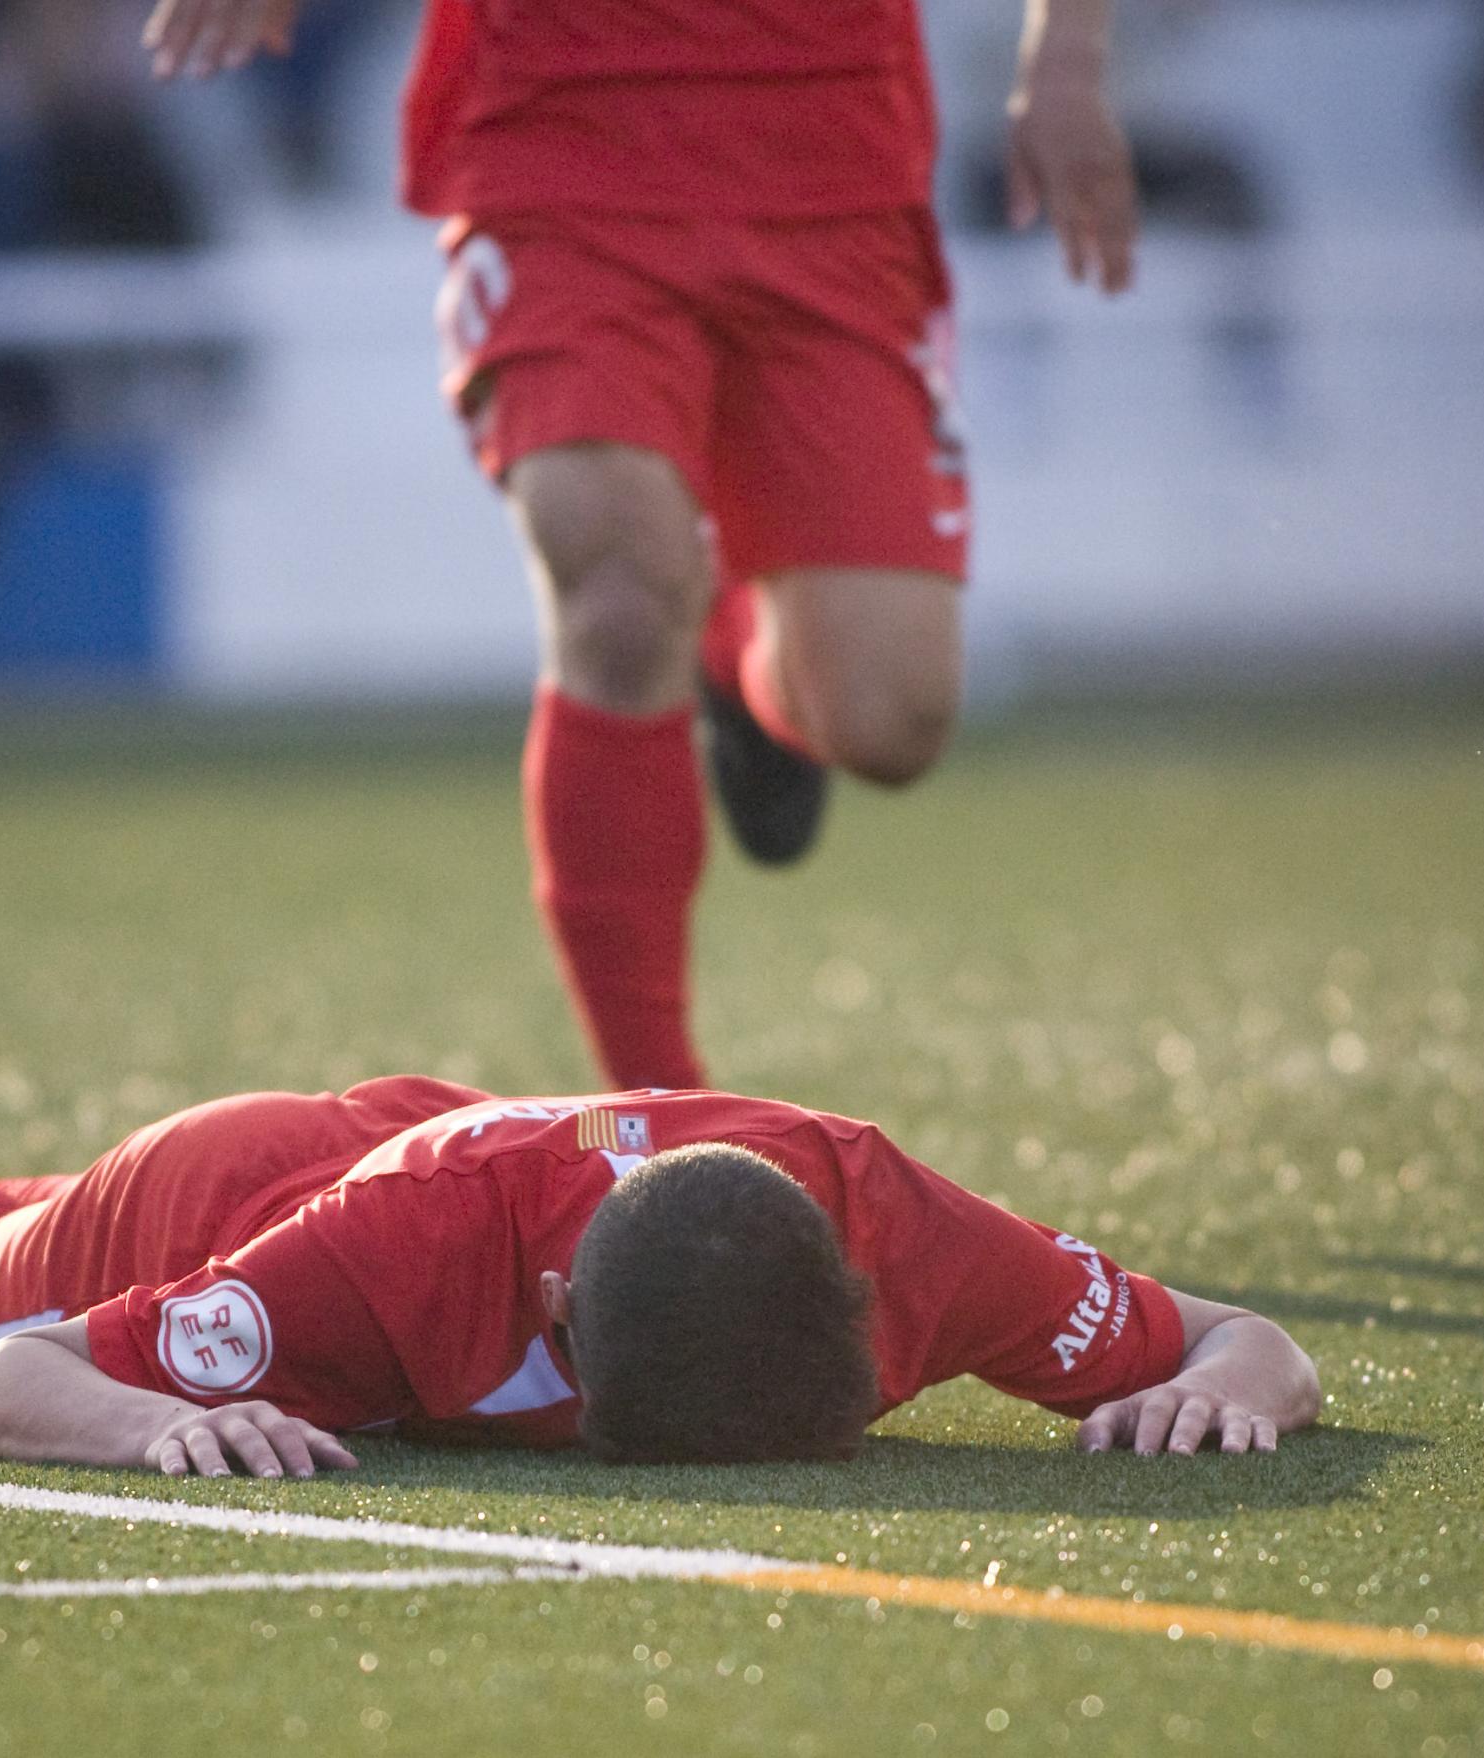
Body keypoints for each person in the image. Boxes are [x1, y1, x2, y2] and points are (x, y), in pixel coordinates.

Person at [132, 0, 1138, 1092]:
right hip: (564, 135)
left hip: (825, 153)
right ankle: (659, 1115)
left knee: (889, 719)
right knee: (614, 599)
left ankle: (728, 647)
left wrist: (1068, 58)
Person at [0, 1079, 1321, 1476]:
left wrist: (1230, 1382)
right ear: (551, 1335)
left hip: (441, 1154)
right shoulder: (369, 1281)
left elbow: (1248, 1333)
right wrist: (151, 1421)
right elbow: (2, 1382)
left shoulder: (898, 1225)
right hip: (256, 1181)